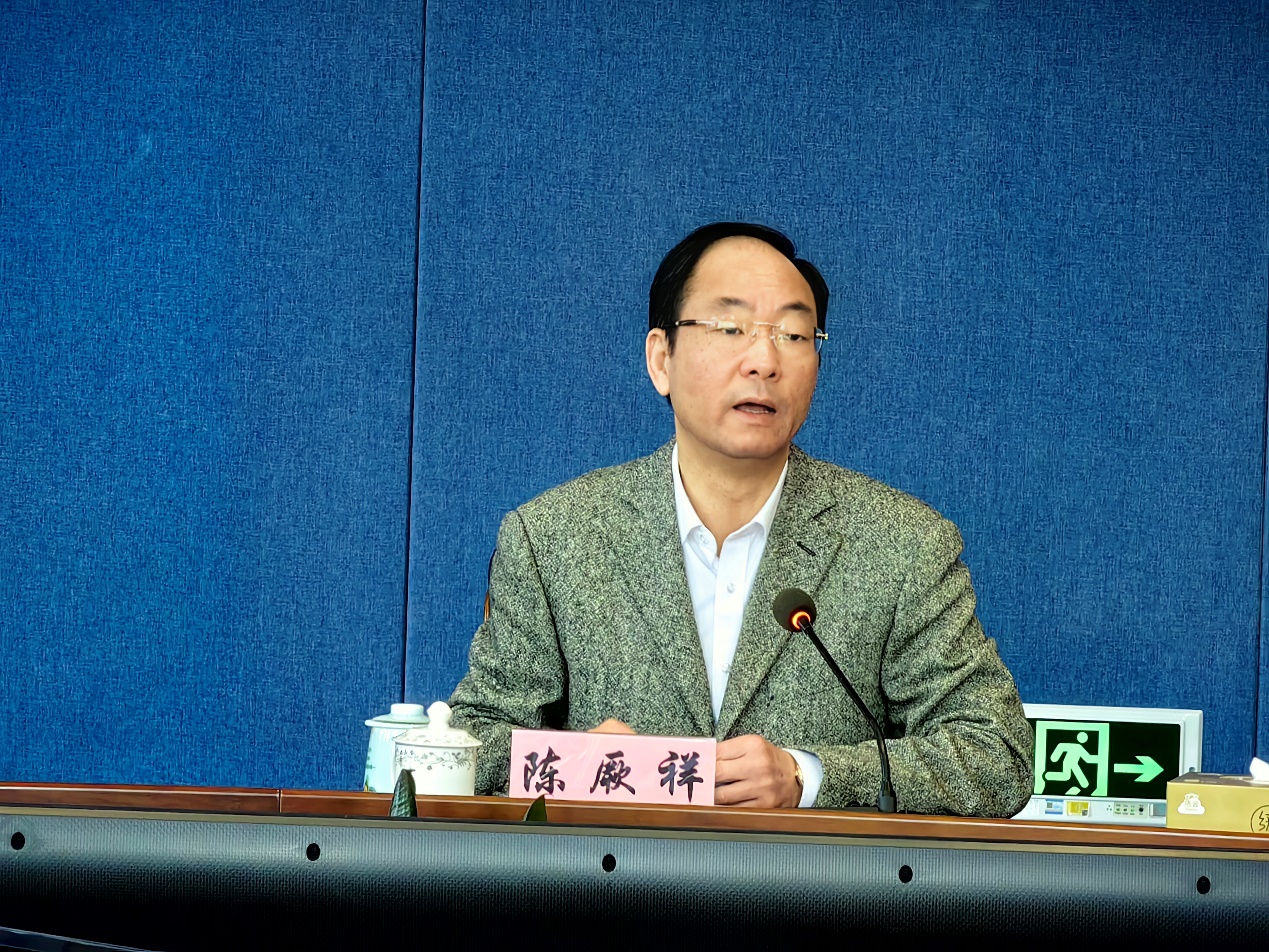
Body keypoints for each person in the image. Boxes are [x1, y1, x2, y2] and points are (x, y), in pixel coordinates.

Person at [449, 222, 1033, 816]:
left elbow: (997, 756)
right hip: (613, 875)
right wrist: (578, 764)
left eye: (794, 334)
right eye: (730, 328)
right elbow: (467, 748)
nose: (764, 360)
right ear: (661, 359)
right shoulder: (553, 538)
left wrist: (810, 777)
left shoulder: (902, 544)